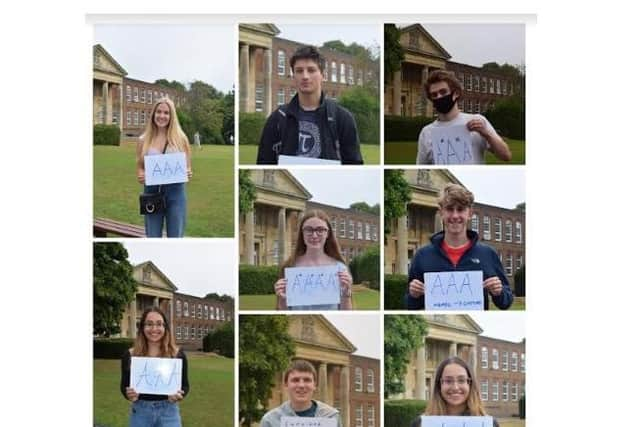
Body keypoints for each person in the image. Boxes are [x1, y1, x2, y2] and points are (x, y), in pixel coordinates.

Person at [406, 184, 513, 310]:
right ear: (441, 213)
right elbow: (409, 304)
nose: (455, 215)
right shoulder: (422, 255)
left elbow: (506, 301)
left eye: (461, 209)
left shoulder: (488, 254)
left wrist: (499, 292)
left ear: (470, 214)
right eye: (450, 209)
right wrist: (413, 295)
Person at [256, 45, 363, 165]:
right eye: (299, 71)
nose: (305, 76)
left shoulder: (342, 118)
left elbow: (354, 164)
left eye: (311, 70)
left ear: (323, 75)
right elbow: (264, 162)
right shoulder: (277, 118)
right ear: (293, 75)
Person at [416, 70, 512, 164]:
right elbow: (421, 166)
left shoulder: (477, 120)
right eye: (434, 95)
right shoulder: (427, 132)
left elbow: (506, 156)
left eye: (443, 92)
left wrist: (486, 134)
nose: (439, 97)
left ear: (456, 93)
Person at [120, 307, 189, 427]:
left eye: (159, 324)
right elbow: (124, 386)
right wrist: (129, 394)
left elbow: (185, 385)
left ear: (165, 327)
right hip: (140, 412)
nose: (154, 329)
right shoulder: (130, 355)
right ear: (142, 328)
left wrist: (179, 395)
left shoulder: (177, 354)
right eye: (149, 324)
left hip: (169, 411)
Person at [274, 209, 353, 310]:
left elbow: (345, 314)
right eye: (309, 230)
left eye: (320, 230)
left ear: (328, 233)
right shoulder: (290, 267)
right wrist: (281, 299)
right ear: (302, 233)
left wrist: (346, 293)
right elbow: (284, 314)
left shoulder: (340, 268)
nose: (314, 235)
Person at [136, 97, 192, 237]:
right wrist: (141, 174)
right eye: (159, 112)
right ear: (153, 114)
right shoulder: (143, 140)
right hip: (152, 191)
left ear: (171, 116)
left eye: (166, 113)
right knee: (152, 235)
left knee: (176, 236)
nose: (162, 116)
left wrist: (188, 172)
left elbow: (188, 167)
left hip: (176, 192)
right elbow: (140, 166)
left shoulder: (181, 139)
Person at [409, 357, 499, 427]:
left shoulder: (489, 424)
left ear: (470, 384)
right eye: (448, 381)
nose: (455, 387)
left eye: (461, 380)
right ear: (439, 385)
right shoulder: (421, 424)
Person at [260, 360, 342, 427]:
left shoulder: (331, 416)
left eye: (307, 380)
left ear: (315, 385)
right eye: (295, 380)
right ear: (286, 385)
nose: (301, 385)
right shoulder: (270, 420)